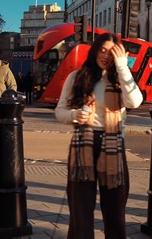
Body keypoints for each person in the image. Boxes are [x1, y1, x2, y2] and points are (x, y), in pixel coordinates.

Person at [55, 33, 143, 238]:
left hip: (113, 146)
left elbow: (134, 102)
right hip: (83, 146)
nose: (106, 56)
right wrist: (75, 115)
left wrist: (122, 66)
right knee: (80, 211)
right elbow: (60, 111)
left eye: (112, 52)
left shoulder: (121, 78)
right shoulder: (77, 77)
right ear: (94, 50)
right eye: (102, 50)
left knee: (115, 211)